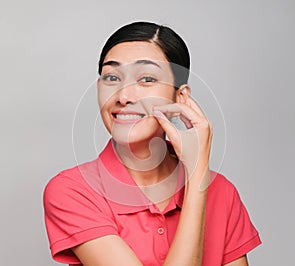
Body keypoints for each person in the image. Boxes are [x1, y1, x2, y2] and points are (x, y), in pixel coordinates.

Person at [43, 21, 261, 266]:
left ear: (180, 97)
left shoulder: (222, 192)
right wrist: (199, 176)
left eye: (146, 79)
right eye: (112, 77)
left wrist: (197, 177)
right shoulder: (73, 191)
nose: (124, 97)